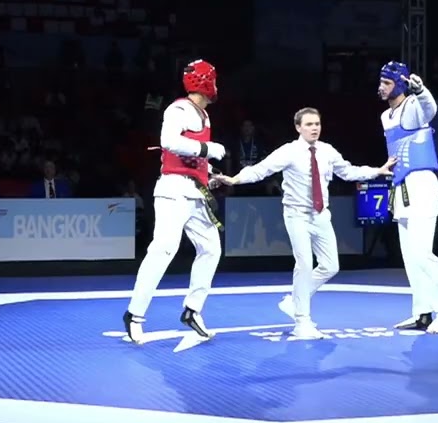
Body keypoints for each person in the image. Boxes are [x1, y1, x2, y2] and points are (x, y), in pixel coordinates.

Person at [218, 107, 395, 339]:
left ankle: (294, 300)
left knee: (331, 266)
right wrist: (235, 179)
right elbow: (261, 170)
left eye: (317, 124)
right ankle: (302, 321)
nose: (314, 128)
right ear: (298, 127)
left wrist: (377, 171)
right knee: (304, 264)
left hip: (321, 215)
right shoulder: (289, 151)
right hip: (297, 215)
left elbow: (348, 171)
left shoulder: (327, 151)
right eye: (309, 124)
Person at [123, 59, 226, 345]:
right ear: (206, 82)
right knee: (164, 249)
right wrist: (208, 148)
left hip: (196, 192)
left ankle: (192, 310)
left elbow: (191, 157)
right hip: (173, 191)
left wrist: (212, 173)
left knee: (211, 249)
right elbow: (168, 141)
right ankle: (134, 314)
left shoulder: (204, 116)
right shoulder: (178, 109)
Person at [378, 61, 438, 334]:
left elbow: (430, 109)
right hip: (401, 186)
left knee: (423, 253)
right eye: (381, 82)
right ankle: (422, 313)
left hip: (422, 184)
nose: (381, 87)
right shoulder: (385, 116)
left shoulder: (413, 107)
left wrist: (421, 90)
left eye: (387, 83)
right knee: (410, 255)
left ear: (399, 85)